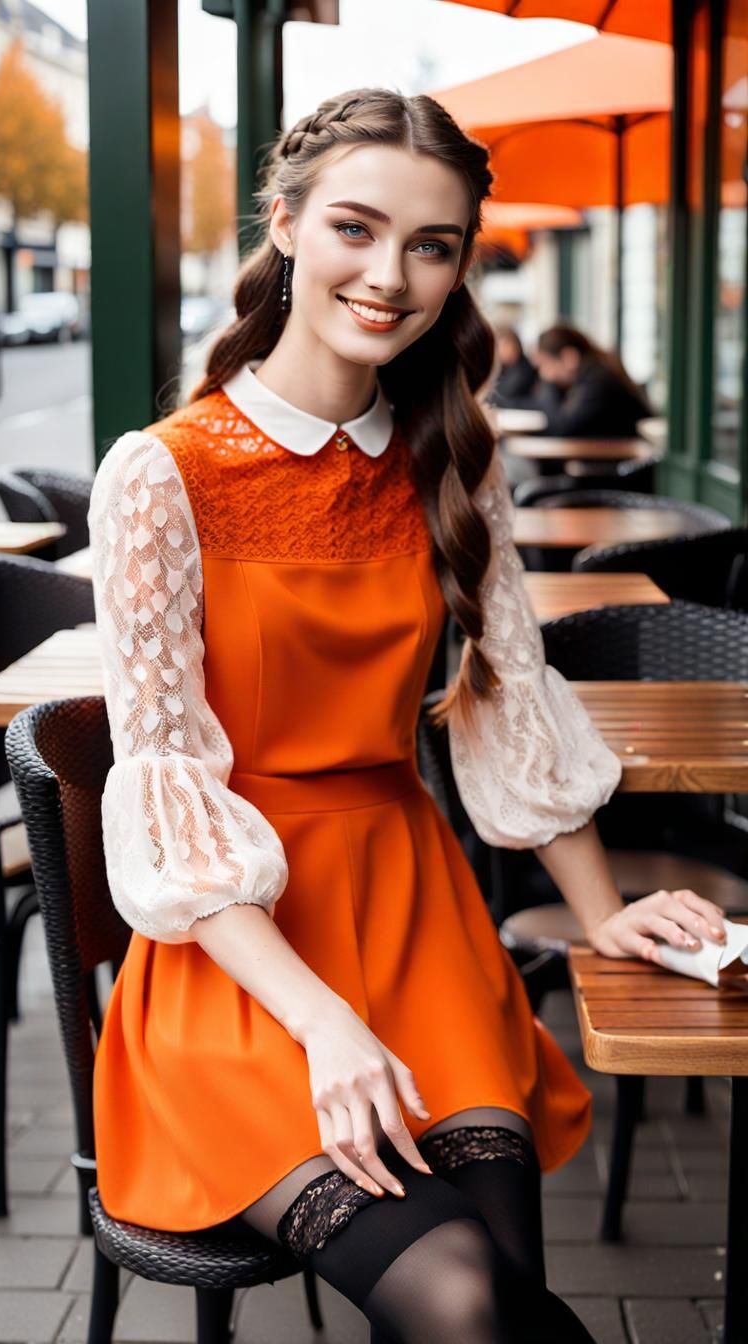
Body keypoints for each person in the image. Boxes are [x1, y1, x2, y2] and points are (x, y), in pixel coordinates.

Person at [88, 89, 726, 1343]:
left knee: (487, 1293)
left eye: (432, 245)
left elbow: (508, 703)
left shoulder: (455, 460)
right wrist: (322, 1021)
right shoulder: (162, 473)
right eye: (356, 228)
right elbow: (165, 783)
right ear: (285, 225)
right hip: (239, 957)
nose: (390, 275)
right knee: (462, 1296)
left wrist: (603, 911)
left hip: (420, 912)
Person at [534, 322, 651, 438]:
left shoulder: (599, 379)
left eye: (545, 364)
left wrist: (548, 384)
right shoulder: (594, 371)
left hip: (627, 447)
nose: (544, 373)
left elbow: (562, 428)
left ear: (568, 357)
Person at [486, 324, 539, 408]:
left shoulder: (524, 369)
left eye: (505, 345)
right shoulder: (503, 368)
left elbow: (505, 393)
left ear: (516, 346)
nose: (501, 350)